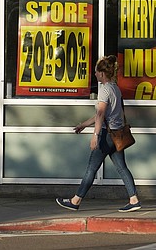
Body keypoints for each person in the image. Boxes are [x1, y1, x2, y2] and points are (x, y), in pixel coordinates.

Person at [56, 55, 141, 212]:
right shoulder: (115, 88)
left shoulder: (104, 90)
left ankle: (75, 201)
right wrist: (83, 124)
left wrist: (95, 135)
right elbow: (105, 114)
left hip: (106, 136)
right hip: (116, 135)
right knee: (122, 168)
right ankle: (134, 199)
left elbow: (101, 114)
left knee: (91, 169)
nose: (94, 74)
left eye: (96, 72)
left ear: (102, 73)